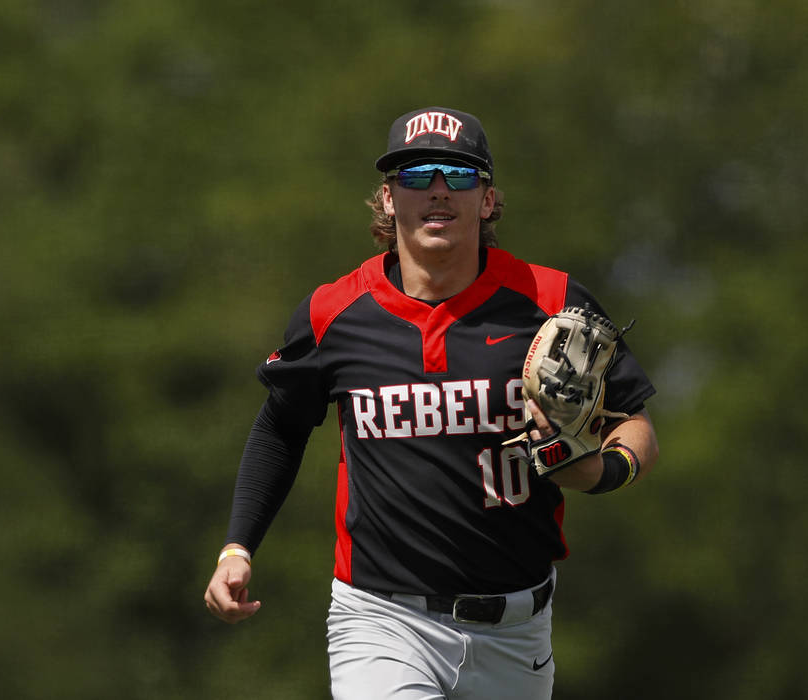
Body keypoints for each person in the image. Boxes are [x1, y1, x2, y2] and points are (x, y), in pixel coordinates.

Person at [204, 106, 659, 699]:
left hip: (516, 631)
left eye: (459, 175)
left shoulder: (551, 299)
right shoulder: (334, 313)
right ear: (388, 199)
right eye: (416, 176)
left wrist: (601, 470)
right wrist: (236, 547)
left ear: (488, 200)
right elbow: (279, 430)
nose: (438, 192)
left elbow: (635, 423)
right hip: (382, 621)